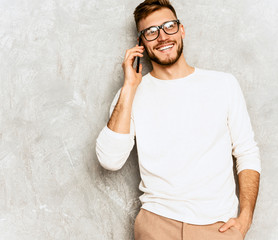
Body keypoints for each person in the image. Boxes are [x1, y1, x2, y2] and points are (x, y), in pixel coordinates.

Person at [95, 0, 261, 239]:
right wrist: (130, 86)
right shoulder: (130, 94)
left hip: (217, 226)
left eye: (169, 26)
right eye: (151, 32)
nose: (162, 37)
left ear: (181, 30)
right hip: (156, 223)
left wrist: (245, 218)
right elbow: (110, 160)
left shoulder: (223, 85)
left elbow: (246, 152)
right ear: (141, 43)